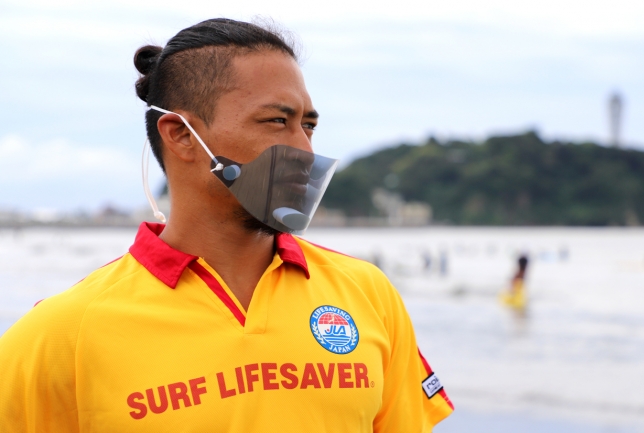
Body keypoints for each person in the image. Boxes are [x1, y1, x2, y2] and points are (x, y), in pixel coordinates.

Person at [0, 19, 453, 432]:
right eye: (277, 121)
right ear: (180, 135)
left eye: (308, 125)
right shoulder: (60, 336)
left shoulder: (368, 293)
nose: (305, 149)